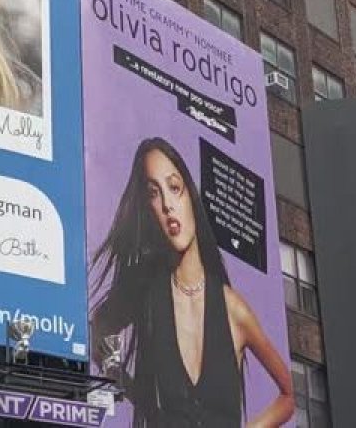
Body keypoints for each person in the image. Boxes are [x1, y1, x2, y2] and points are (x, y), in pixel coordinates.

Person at [90, 138, 294, 427]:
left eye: (174, 188)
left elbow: (288, 395)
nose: (167, 205)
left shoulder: (232, 309)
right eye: (153, 194)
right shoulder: (148, 292)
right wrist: (136, 393)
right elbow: (97, 329)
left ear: (190, 196)